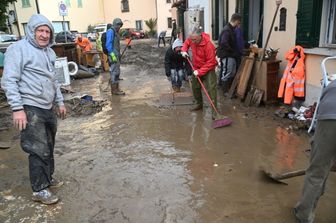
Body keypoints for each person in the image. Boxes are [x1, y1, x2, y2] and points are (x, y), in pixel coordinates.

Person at [1, 14, 67, 205]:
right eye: (40, 30)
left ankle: (48, 178)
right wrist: (17, 108)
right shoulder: (18, 49)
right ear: (31, 30)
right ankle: (39, 190)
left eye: (47, 31)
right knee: (38, 149)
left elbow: (54, 80)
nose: (44, 35)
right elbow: (9, 80)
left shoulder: (49, 52)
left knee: (49, 145)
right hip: (30, 106)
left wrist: (60, 102)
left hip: (47, 106)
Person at [293, 79, 336, 223]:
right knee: (320, 169)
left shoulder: (332, 84)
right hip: (331, 112)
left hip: (330, 116)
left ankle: (304, 215)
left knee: (317, 172)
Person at [180, 26, 218, 119]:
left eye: (194, 40)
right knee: (195, 87)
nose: (192, 42)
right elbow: (186, 43)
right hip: (196, 67)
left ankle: (215, 112)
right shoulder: (192, 39)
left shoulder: (209, 45)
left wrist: (200, 72)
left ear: (200, 36)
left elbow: (211, 62)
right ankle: (198, 104)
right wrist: (184, 50)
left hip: (208, 69)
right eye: (191, 39)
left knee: (211, 89)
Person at [216, 13, 242, 92]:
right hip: (227, 55)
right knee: (228, 72)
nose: (239, 24)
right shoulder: (227, 30)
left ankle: (228, 90)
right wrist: (232, 51)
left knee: (232, 72)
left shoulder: (230, 29)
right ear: (236, 21)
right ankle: (225, 91)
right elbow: (224, 43)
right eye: (239, 22)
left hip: (230, 55)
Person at [106, 18, 125, 95]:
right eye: (118, 25)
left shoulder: (116, 32)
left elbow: (116, 45)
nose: (119, 27)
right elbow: (108, 44)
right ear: (114, 24)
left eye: (120, 25)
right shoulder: (111, 31)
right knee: (114, 72)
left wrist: (118, 54)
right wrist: (113, 55)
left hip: (116, 55)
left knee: (117, 72)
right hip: (113, 55)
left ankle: (116, 88)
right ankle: (114, 90)